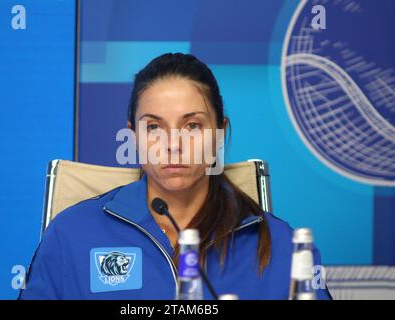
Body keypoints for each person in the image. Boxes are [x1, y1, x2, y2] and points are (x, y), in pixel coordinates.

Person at [19, 53, 331, 300]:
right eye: (154, 127)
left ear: (219, 134)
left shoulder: (284, 248)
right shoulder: (71, 235)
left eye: (192, 126)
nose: (173, 145)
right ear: (134, 137)